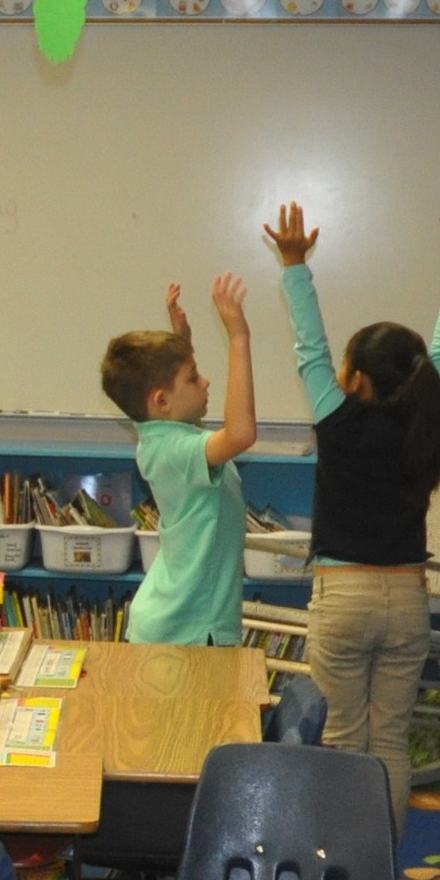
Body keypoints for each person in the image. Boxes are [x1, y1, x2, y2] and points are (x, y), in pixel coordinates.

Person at [273, 196, 440, 827]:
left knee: (340, 741)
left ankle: (337, 863)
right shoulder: (428, 417)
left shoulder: (337, 421)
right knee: (389, 744)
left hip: (344, 597)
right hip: (408, 598)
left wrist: (293, 263)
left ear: (356, 377)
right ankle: (380, 863)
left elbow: (309, 343)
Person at [101, 273, 259, 647]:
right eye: (193, 377)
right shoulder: (175, 450)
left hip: (185, 626)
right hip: (186, 632)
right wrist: (238, 337)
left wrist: (181, 343)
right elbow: (240, 434)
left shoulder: (167, 436)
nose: (205, 383)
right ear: (161, 401)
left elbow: (177, 408)